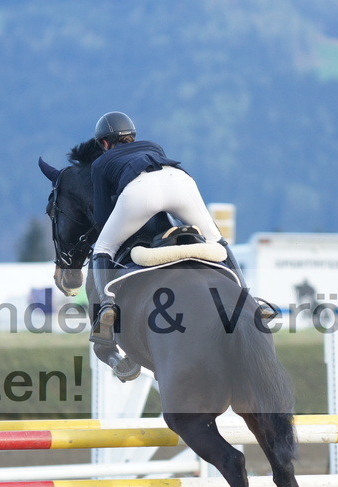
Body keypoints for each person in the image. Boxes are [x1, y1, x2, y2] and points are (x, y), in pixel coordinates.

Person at [87, 111, 263, 347]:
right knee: (217, 240)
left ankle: (106, 309)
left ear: (104, 142)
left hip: (140, 192)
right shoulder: (153, 146)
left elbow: (102, 217)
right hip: (179, 182)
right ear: (132, 135)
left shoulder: (100, 163)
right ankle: (250, 302)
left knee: (103, 247)